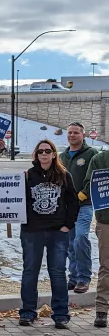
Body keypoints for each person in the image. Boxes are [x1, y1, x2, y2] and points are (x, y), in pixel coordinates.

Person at [19, 139, 78, 329]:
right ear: (36, 155)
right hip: (32, 232)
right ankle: (28, 312)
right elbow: (16, 202)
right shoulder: (27, 176)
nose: (44, 154)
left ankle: (61, 314)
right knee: (30, 272)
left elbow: (73, 202)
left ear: (54, 154)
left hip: (57, 232)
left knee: (58, 273)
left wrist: (68, 225)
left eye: (48, 151)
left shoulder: (63, 175)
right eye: (40, 151)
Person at [58, 122, 97, 294]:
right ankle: (73, 278)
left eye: (76, 133)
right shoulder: (62, 156)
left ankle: (84, 278)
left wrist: (84, 193)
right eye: (70, 133)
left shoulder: (91, 154)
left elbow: (96, 177)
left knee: (81, 238)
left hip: (84, 205)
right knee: (69, 244)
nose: (72, 135)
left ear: (83, 135)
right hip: (66, 207)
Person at [83, 148, 109, 327]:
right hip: (106, 220)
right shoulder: (100, 159)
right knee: (106, 266)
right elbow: (90, 185)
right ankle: (101, 310)